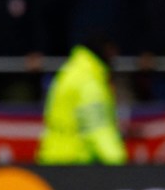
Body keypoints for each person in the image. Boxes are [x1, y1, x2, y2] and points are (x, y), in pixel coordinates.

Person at [37, 35, 127, 164]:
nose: (114, 58)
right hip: (73, 161)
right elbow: (97, 127)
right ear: (104, 50)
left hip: (52, 156)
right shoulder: (89, 81)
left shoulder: (68, 71)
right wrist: (118, 162)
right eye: (112, 52)